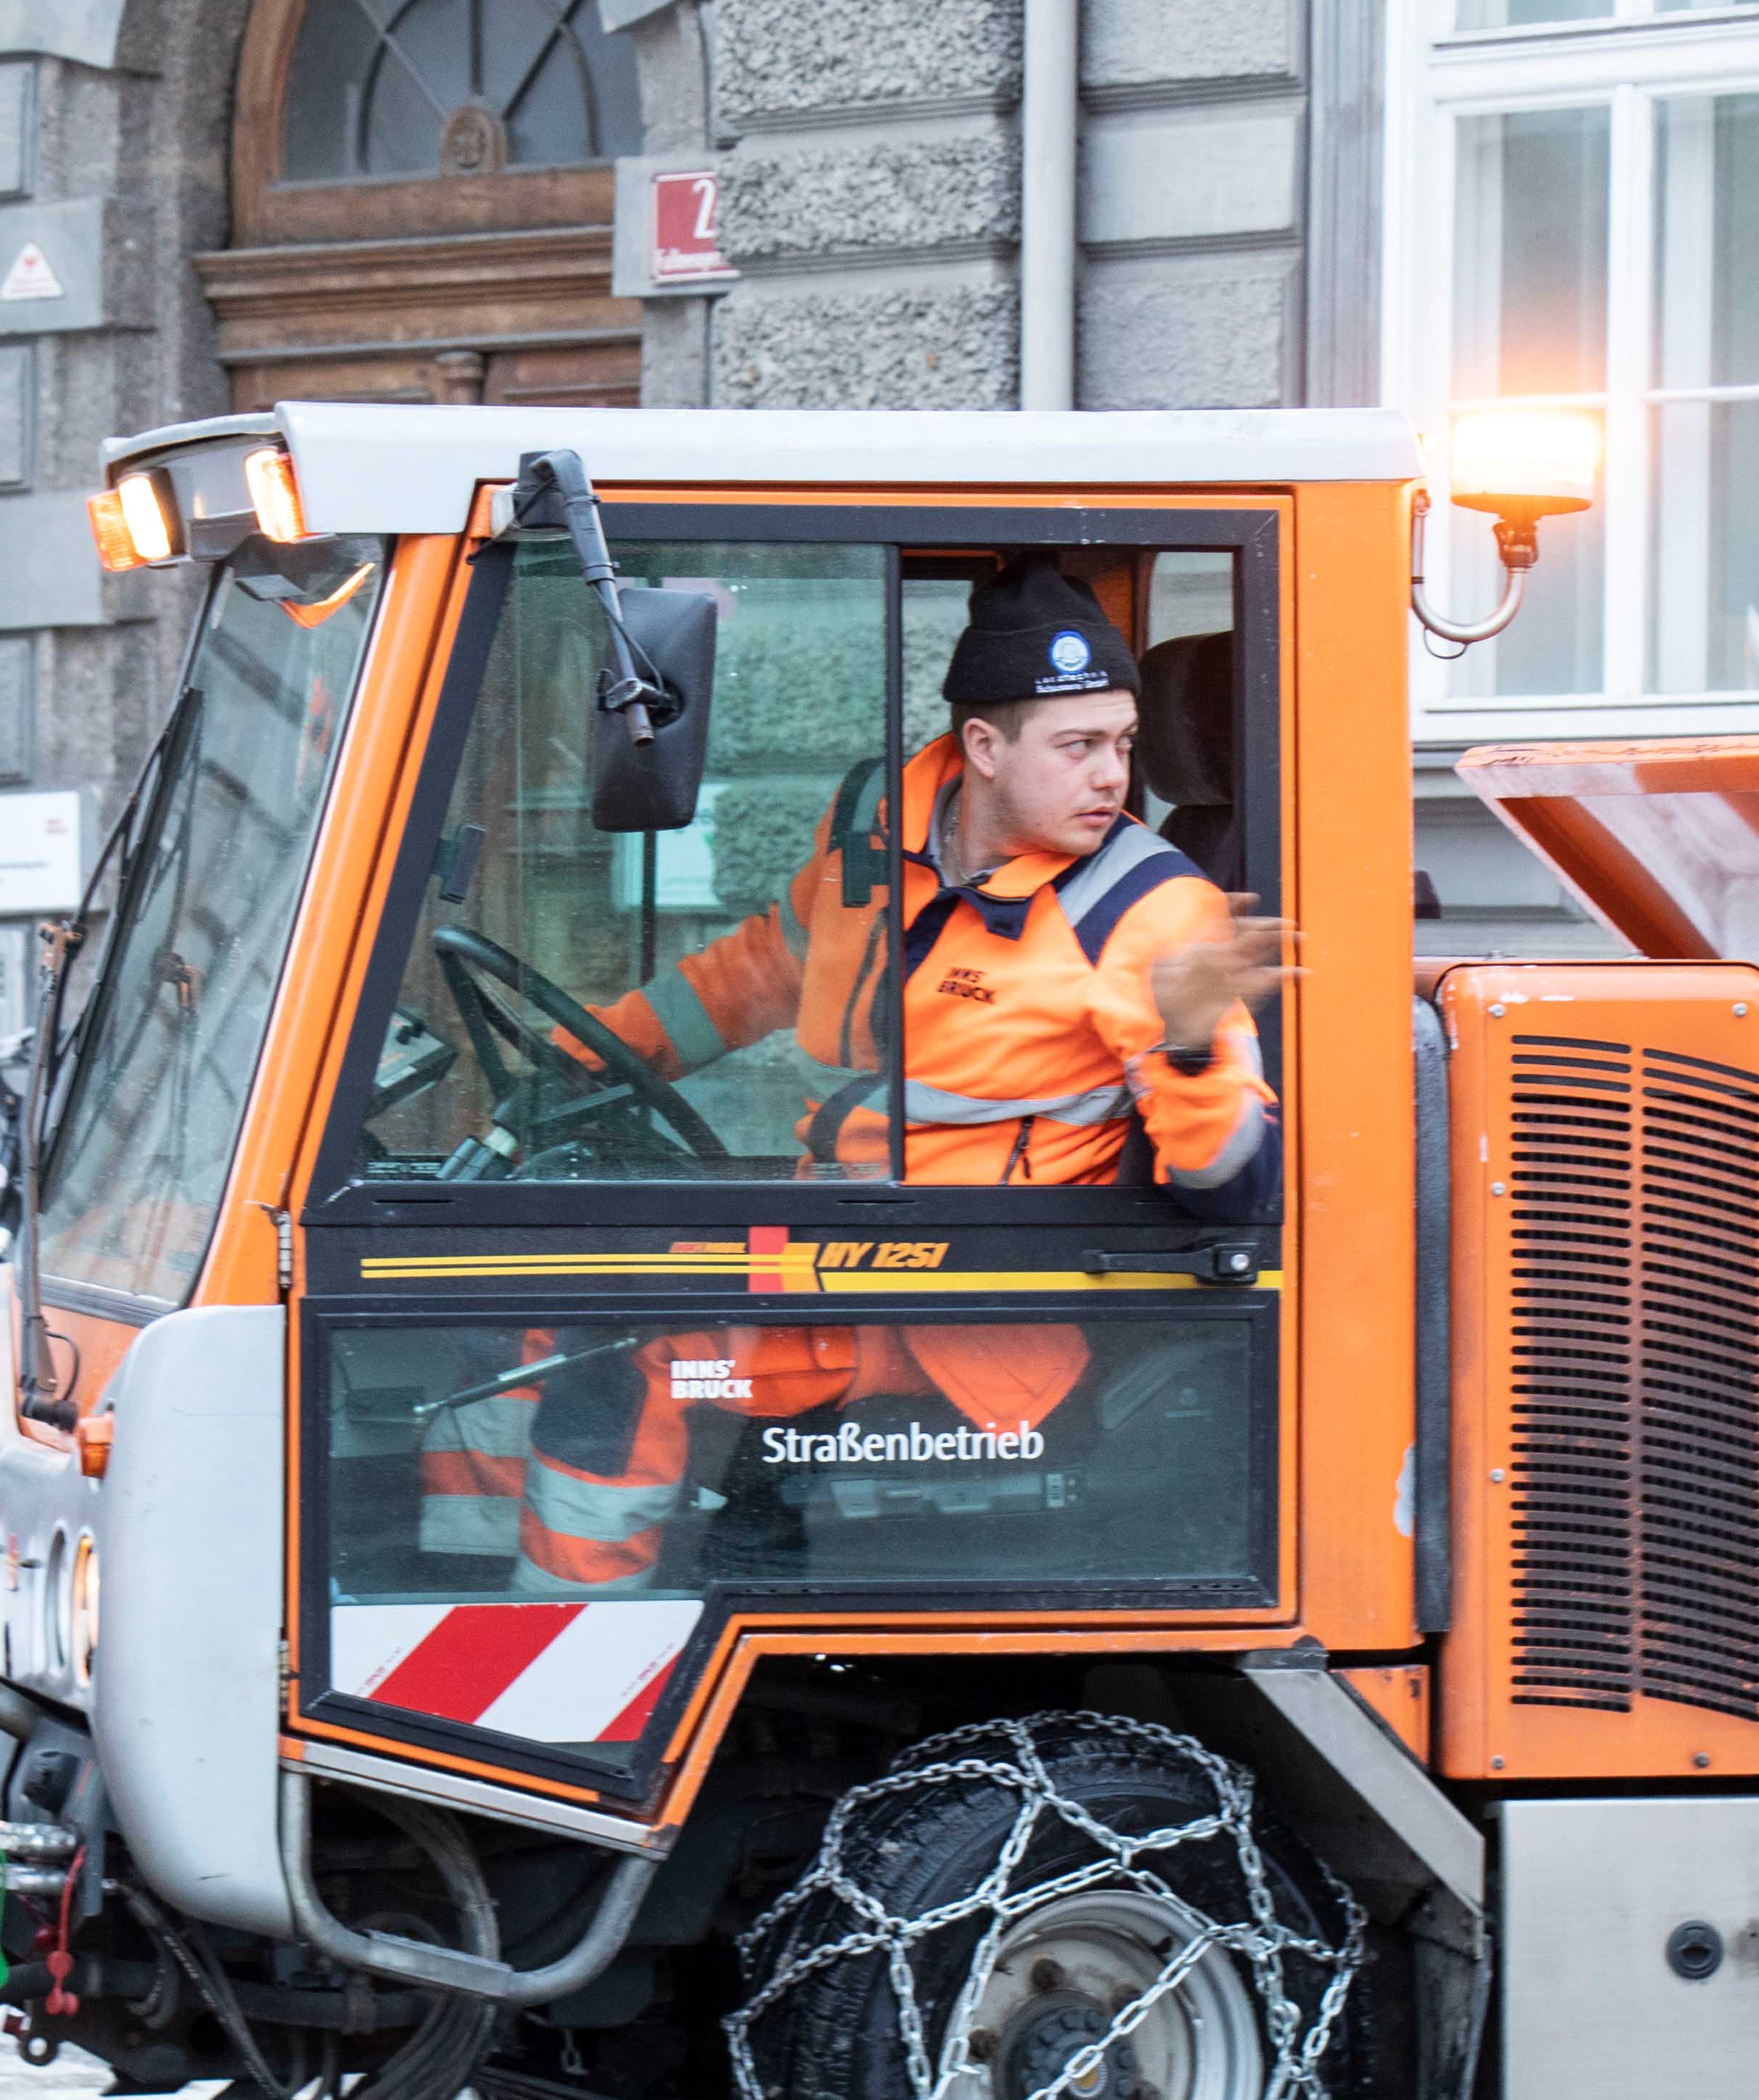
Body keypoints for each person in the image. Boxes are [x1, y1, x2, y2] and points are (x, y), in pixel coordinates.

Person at [421, 557, 1294, 1594]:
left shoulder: (1151, 912)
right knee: (506, 1287)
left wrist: (1191, 1047)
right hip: (837, 1241)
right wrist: (576, 1060)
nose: (1114, 777)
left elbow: (1239, 1190)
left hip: (969, 1303)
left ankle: (560, 1633)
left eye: (1125, 744)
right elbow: (759, 971)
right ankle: (459, 1592)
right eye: (1080, 747)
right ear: (983, 748)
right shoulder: (880, 834)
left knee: (618, 1348)